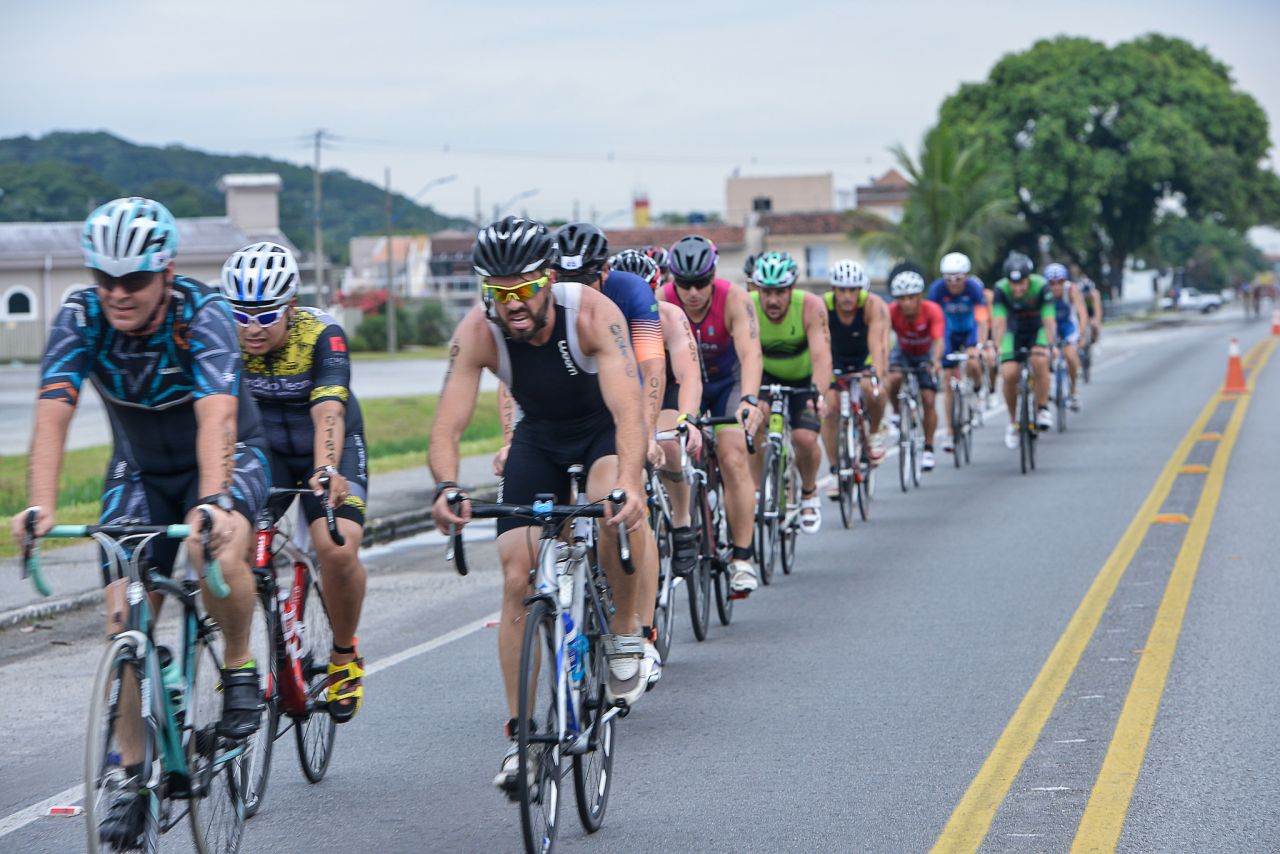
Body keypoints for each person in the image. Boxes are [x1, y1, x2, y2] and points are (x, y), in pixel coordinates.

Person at [10, 197, 269, 847]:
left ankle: (239, 668)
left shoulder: (201, 314)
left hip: (225, 455)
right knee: (124, 615)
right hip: (140, 469)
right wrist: (40, 505)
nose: (117, 294)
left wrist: (213, 503)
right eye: (105, 279)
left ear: (167, 272)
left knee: (224, 547)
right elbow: (52, 415)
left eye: (134, 281)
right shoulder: (80, 316)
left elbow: (217, 416)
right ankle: (129, 776)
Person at [428, 217, 652, 791]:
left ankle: (626, 632)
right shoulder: (479, 331)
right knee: (515, 575)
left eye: (524, 288)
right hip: (539, 439)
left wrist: (631, 480)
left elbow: (630, 411)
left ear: (548, 279)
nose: (514, 304)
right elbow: (446, 426)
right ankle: (523, 740)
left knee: (610, 509)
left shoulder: (592, 312)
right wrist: (447, 486)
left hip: (600, 430)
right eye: (500, 292)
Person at [219, 241, 369, 721]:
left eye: (265, 315)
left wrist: (326, 469)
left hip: (327, 443)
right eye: (241, 314)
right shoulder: (222, 337)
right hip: (265, 452)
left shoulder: (321, 334)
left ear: (290, 305)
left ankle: (344, 656)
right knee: (232, 549)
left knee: (337, 547)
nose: (252, 328)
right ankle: (238, 661)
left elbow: (328, 408)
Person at [547, 223, 664, 684]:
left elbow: (652, 367)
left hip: (616, 406)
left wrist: (647, 432)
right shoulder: (541, 302)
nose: (576, 294)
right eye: (566, 283)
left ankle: (644, 632)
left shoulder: (631, 293)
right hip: (563, 413)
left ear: (606, 272)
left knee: (627, 512)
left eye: (587, 282)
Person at [659, 235, 766, 593]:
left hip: (726, 386)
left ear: (714, 276)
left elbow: (751, 353)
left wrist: (749, 399)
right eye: (684, 284)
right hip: (683, 385)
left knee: (733, 453)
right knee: (667, 446)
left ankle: (742, 557)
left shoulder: (735, 299)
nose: (692, 293)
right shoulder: (661, 300)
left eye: (701, 283)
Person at [610, 249, 704, 585]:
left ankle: (681, 524)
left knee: (672, 447)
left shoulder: (669, 317)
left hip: (665, 394)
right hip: (621, 397)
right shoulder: (600, 317)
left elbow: (689, 374)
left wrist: (686, 420)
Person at [750, 251, 831, 533]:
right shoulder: (747, 306)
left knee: (805, 439)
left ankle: (808, 493)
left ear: (791, 289)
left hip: (802, 380)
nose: (772, 300)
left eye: (780, 292)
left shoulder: (811, 305)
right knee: (752, 422)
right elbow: (743, 356)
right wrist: (748, 395)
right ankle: (760, 490)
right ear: (757, 289)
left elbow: (822, 356)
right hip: (763, 377)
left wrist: (818, 394)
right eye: (766, 292)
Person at [822, 260, 887, 475]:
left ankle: (875, 432)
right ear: (834, 290)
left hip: (864, 357)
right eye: (842, 290)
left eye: (852, 290)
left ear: (860, 290)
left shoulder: (872, 305)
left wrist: (875, 373)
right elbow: (819, 346)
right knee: (829, 409)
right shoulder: (823, 306)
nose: (847, 296)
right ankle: (833, 469)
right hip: (835, 359)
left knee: (873, 391)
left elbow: (877, 345)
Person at [991, 252, 1058, 448]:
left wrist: (1051, 345)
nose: (1018, 288)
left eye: (1022, 283)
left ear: (1029, 278)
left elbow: (1048, 319)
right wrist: (997, 346)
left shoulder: (1041, 286)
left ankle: (1042, 407)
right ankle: (1013, 422)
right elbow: (999, 321)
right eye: (1014, 284)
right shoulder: (1001, 289)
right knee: (1009, 373)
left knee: (1039, 360)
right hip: (1014, 330)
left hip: (1037, 329)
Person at [927, 252, 989, 453]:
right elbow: (933, 320)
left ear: (966, 276)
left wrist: (979, 345)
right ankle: (951, 432)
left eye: (958, 278)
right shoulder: (937, 290)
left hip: (969, 331)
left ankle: (978, 390)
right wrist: (936, 348)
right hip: (949, 333)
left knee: (972, 362)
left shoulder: (974, 288)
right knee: (948, 381)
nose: (953, 283)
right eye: (949, 278)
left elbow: (981, 319)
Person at [886, 263, 944, 471]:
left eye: (911, 297)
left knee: (928, 399)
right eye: (901, 298)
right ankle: (895, 413)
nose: (906, 303)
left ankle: (928, 448)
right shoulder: (891, 311)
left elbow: (938, 340)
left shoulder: (932, 310)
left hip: (925, 353)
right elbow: (882, 338)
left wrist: (936, 361)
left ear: (919, 296)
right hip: (902, 352)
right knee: (892, 378)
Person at [1044, 262, 1088, 412]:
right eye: (1052, 283)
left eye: (1060, 282)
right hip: (1051, 326)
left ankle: (1073, 391)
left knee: (1071, 355)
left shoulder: (1071, 290)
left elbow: (1082, 313)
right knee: (1045, 356)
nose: (1056, 286)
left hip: (1068, 326)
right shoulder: (1043, 292)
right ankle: (1048, 386)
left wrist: (1081, 335)